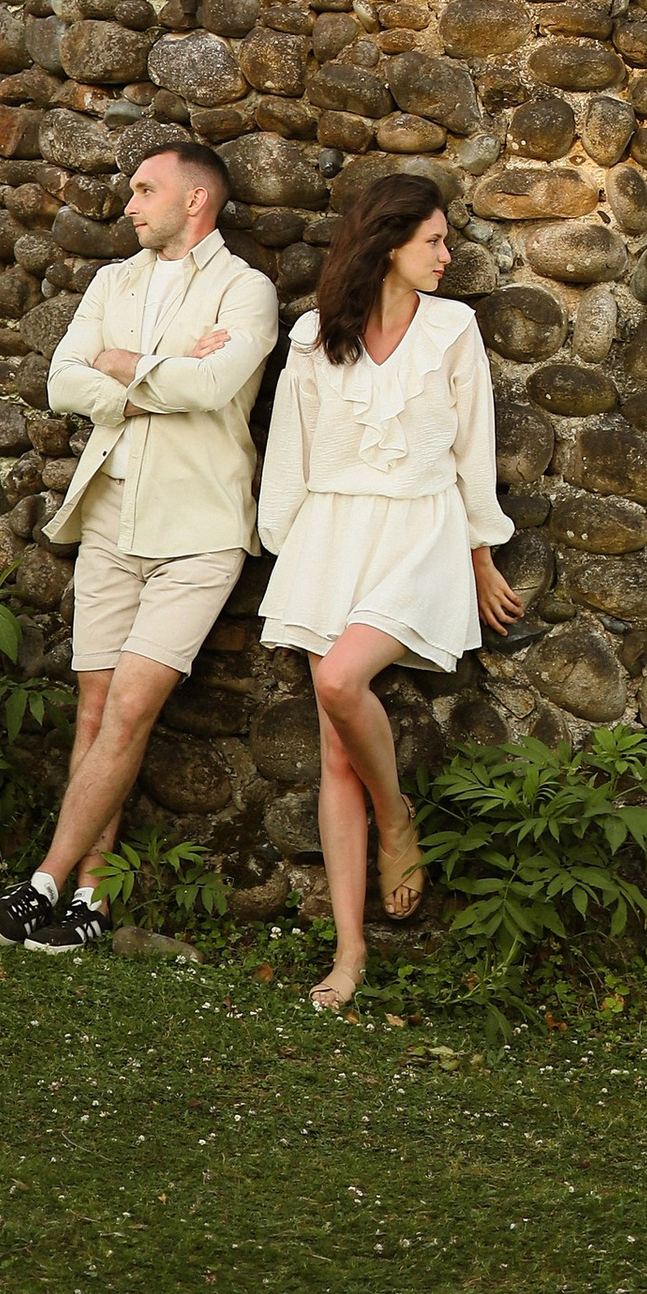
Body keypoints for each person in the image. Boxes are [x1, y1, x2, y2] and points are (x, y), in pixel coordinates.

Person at [0, 138, 278, 957]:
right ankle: (91, 901)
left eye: (146, 190)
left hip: (201, 532)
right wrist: (159, 370)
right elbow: (63, 382)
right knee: (96, 711)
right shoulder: (113, 281)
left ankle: (42, 877)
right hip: (109, 516)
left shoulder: (247, 291)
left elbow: (214, 388)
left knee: (134, 709)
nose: (129, 204)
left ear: (195, 200)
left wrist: (124, 369)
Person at [257, 168, 524, 1012]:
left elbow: (473, 450)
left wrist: (483, 553)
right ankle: (349, 953)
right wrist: (287, 553)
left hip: (419, 532)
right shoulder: (313, 337)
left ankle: (395, 818)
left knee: (341, 682)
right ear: (387, 245)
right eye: (434, 241)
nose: (448, 255)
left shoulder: (455, 331)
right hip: (328, 537)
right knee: (334, 744)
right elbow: (288, 455)